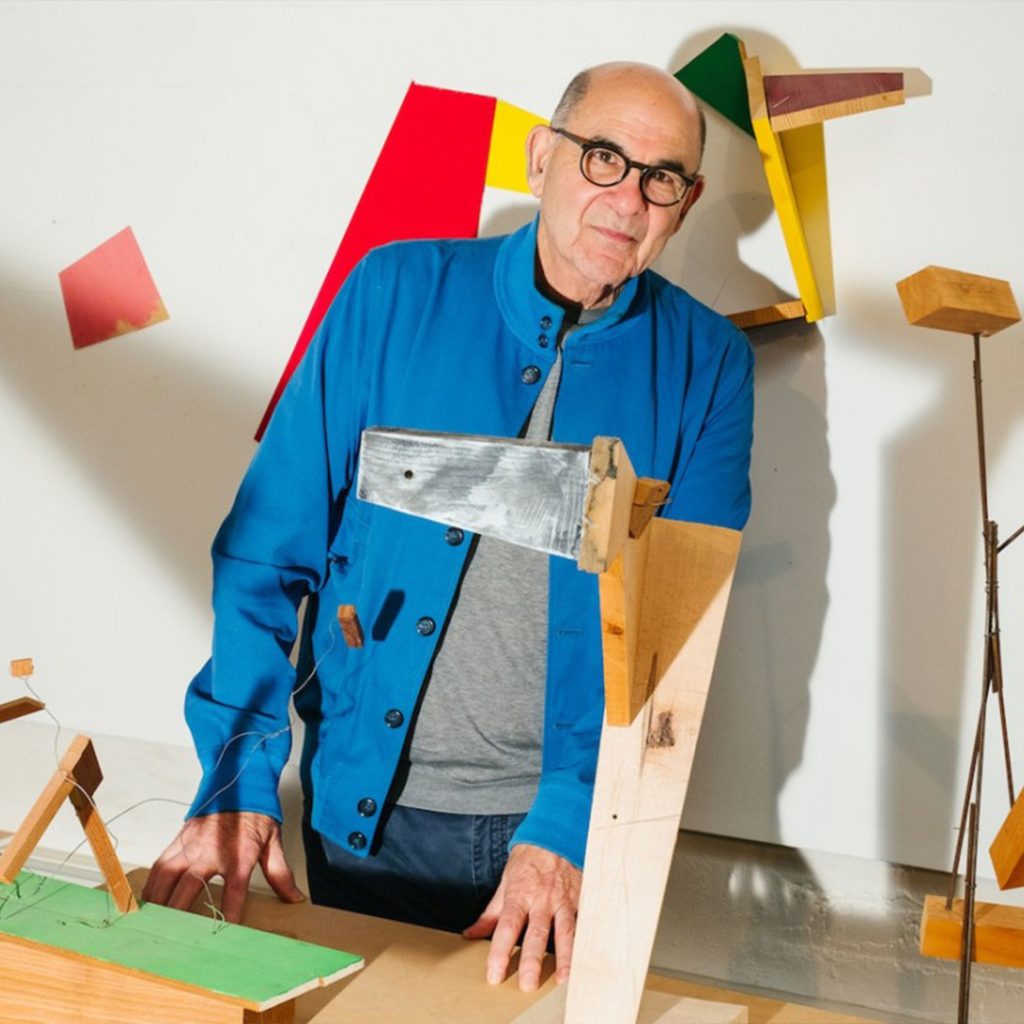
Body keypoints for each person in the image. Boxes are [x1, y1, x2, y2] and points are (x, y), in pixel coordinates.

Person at [144, 61, 754, 993]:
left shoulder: (711, 364)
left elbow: (679, 635)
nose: (627, 199)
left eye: (659, 178)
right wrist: (238, 773)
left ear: (687, 202)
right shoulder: (392, 292)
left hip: (565, 842)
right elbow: (269, 551)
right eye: (602, 158)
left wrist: (567, 823)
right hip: (365, 812)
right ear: (542, 156)